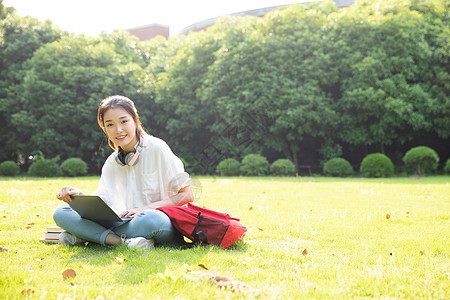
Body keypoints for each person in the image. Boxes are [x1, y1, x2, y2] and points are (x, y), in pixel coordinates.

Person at [53, 95, 194, 249]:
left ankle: (87, 235)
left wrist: (144, 209)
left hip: (157, 221)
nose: (118, 130)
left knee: (151, 219)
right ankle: (124, 242)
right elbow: (103, 200)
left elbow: (187, 195)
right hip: (126, 224)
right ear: (105, 129)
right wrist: (79, 197)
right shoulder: (112, 162)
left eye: (124, 121)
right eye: (110, 124)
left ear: (135, 120)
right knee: (61, 212)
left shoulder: (157, 148)